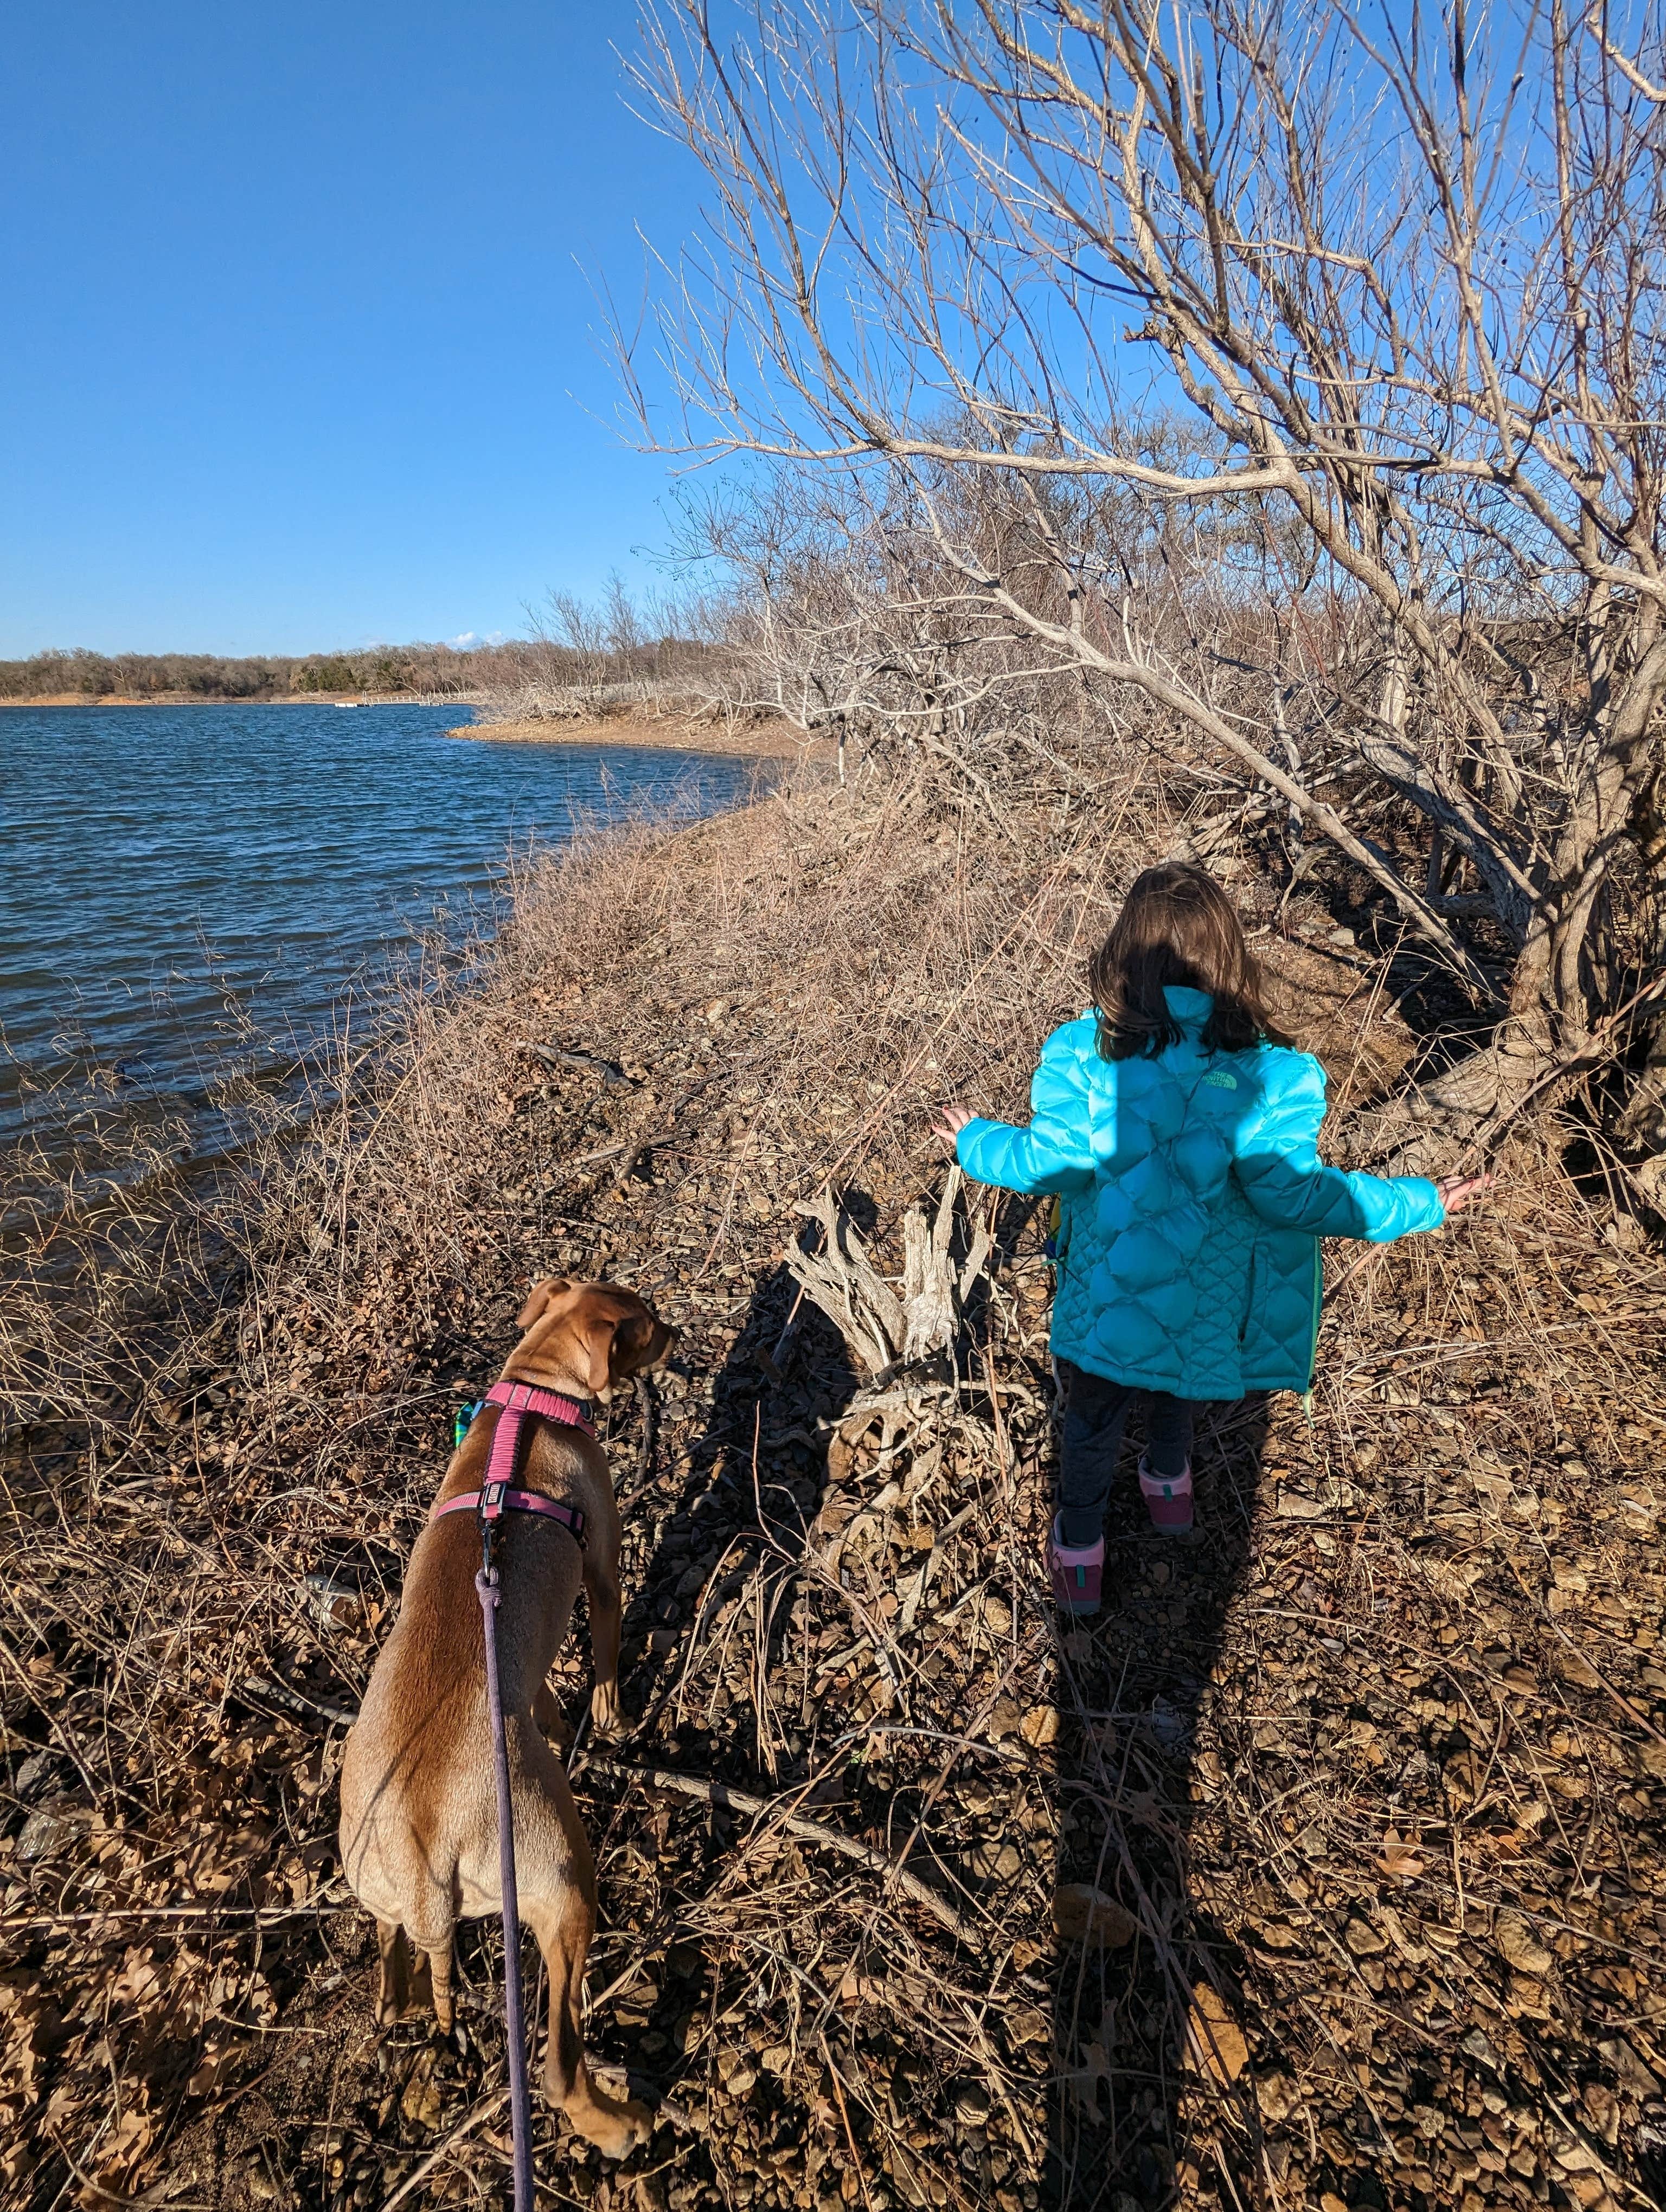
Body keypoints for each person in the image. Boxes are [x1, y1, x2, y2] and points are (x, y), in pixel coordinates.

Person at [934, 861, 1488, 1616]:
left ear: (1124, 950)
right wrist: (1420, 1201)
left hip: (1108, 1298)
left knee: (1093, 1419)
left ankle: (1080, 1557)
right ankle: (1169, 1495)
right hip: (1206, 1302)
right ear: (1230, 954)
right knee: (1178, 1389)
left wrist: (977, 1143)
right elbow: (1297, 1195)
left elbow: (1050, 1163)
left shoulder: (1087, 1052)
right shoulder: (1272, 1074)